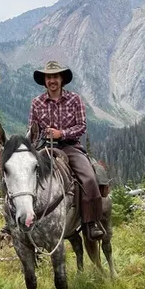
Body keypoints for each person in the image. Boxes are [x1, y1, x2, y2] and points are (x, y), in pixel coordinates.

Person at [28, 60, 104, 240]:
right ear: (44, 80)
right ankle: (25, 221)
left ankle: (90, 222)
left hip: (70, 146)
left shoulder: (75, 99)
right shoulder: (36, 103)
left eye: (55, 76)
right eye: (48, 77)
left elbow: (82, 126)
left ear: (62, 79)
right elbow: (32, 130)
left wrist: (61, 134)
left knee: (89, 178)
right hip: (45, 148)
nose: (52, 80)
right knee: (26, 176)